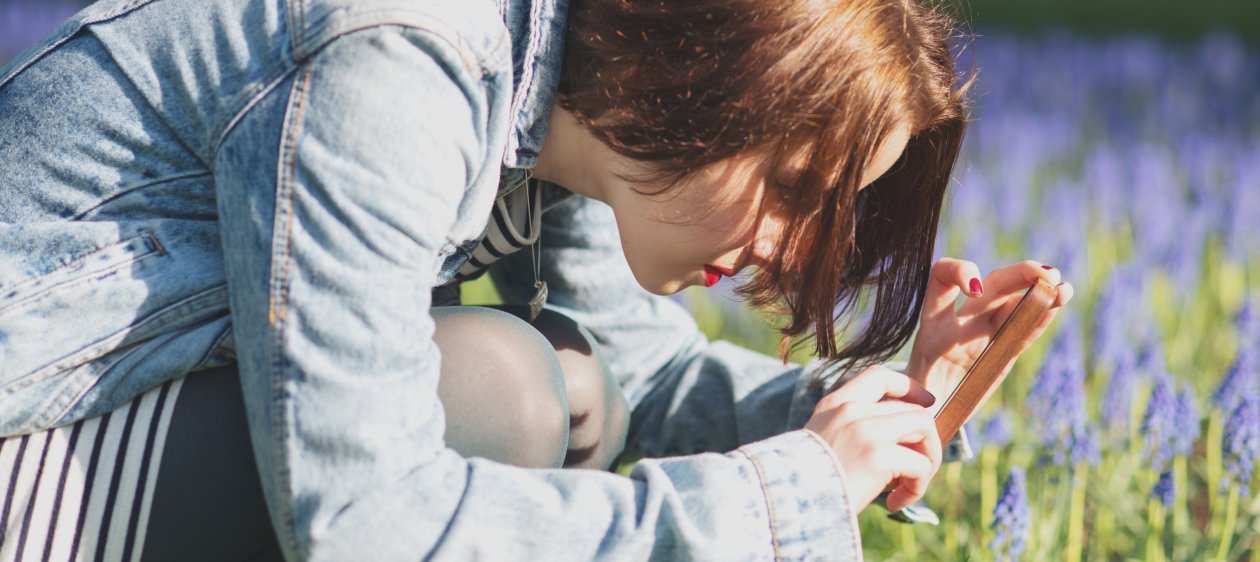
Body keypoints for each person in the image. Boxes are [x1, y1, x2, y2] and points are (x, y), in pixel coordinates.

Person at [0, 0, 1074, 560]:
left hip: (98, 442)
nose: (795, 250)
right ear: (718, 79)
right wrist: (779, 502)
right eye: (793, 185)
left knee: (574, 382)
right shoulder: (397, 65)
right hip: (24, 450)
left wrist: (866, 415)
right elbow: (367, 524)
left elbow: (642, 380)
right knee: (512, 391)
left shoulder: (557, 85)